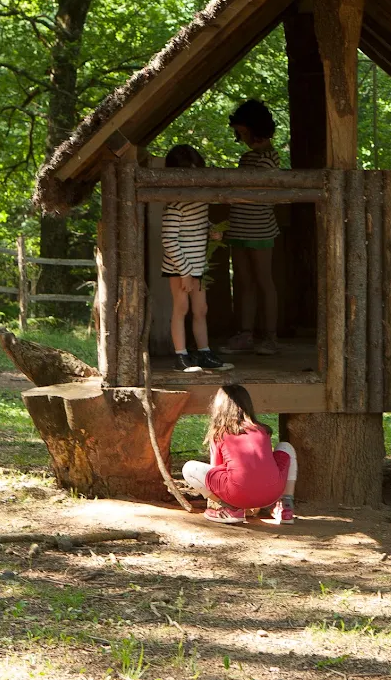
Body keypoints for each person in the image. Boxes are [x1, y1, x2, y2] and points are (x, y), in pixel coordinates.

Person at [181, 384, 296, 524]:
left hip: (236, 494)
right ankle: (285, 507)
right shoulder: (263, 430)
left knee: (189, 468)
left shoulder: (219, 433)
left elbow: (216, 468)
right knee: (286, 447)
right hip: (272, 494)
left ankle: (231, 508)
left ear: (219, 407)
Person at [160, 144, 231, 373]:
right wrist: (185, 272)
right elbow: (169, 240)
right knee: (181, 308)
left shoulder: (201, 201)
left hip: (198, 265)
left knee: (201, 309)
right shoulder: (174, 205)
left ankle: (204, 352)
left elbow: (198, 224)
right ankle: (181, 355)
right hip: (179, 267)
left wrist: (212, 231)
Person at [226, 99, 282, 356]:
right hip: (238, 226)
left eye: (244, 133)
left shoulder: (270, 159)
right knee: (244, 281)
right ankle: (245, 333)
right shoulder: (246, 158)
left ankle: (270, 336)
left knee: (263, 281)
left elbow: (265, 193)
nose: (242, 138)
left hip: (260, 228)